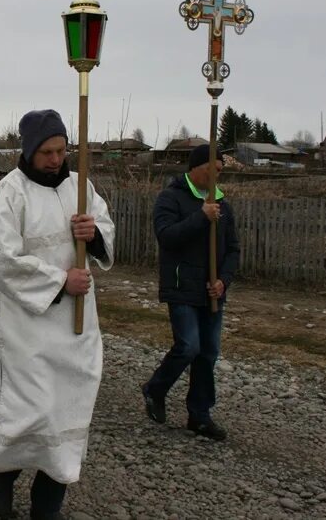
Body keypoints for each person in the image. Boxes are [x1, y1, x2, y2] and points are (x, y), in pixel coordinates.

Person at [0, 110, 115, 520]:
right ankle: (1, 480)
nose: (56, 160)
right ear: (29, 150)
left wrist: (96, 235)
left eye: (61, 150)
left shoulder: (80, 186)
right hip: (25, 332)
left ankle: (47, 504)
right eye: (47, 152)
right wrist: (58, 281)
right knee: (29, 412)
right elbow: (2, 262)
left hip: (76, 330)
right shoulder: (6, 196)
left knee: (68, 410)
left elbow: (104, 227)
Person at [141, 144, 240, 441]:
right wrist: (201, 217)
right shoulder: (171, 198)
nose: (219, 177)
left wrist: (223, 279)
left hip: (211, 291)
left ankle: (199, 415)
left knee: (208, 354)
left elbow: (233, 249)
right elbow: (167, 236)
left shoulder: (223, 206)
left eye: (222, 172)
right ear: (198, 167)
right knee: (189, 346)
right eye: (215, 170)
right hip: (182, 286)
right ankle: (155, 389)